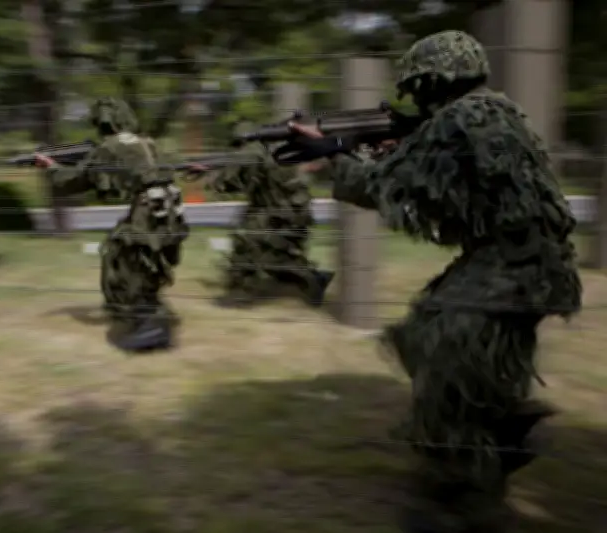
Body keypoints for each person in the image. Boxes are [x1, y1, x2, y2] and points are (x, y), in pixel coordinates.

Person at [277, 31, 582, 532]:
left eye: (417, 87)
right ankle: (499, 431)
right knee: (455, 337)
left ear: (432, 79)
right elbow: (454, 185)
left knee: (437, 342)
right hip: (532, 261)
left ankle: (463, 496)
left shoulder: (461, 119)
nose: (415, 97)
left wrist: (337, 151)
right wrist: (392, 145)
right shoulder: (496, 110)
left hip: (515, 264)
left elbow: (386, 186)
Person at [35, 98, 189, 352]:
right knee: (145, 262)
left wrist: (50, 167)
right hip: (171, 208)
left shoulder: (110, 147)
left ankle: (151, 328)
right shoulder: (146, 141)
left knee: (123, 260)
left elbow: (73, 181)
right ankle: (149, 318)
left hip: (148, 209)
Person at [187, 121, 334, 308]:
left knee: (247, 242)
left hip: (282, 214)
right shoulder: (268, 150)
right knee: (280, 253)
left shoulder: (252, 152)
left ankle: (241, 293)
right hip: (292, 212)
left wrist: (209, 176)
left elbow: (228, 183)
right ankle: (313, 280)